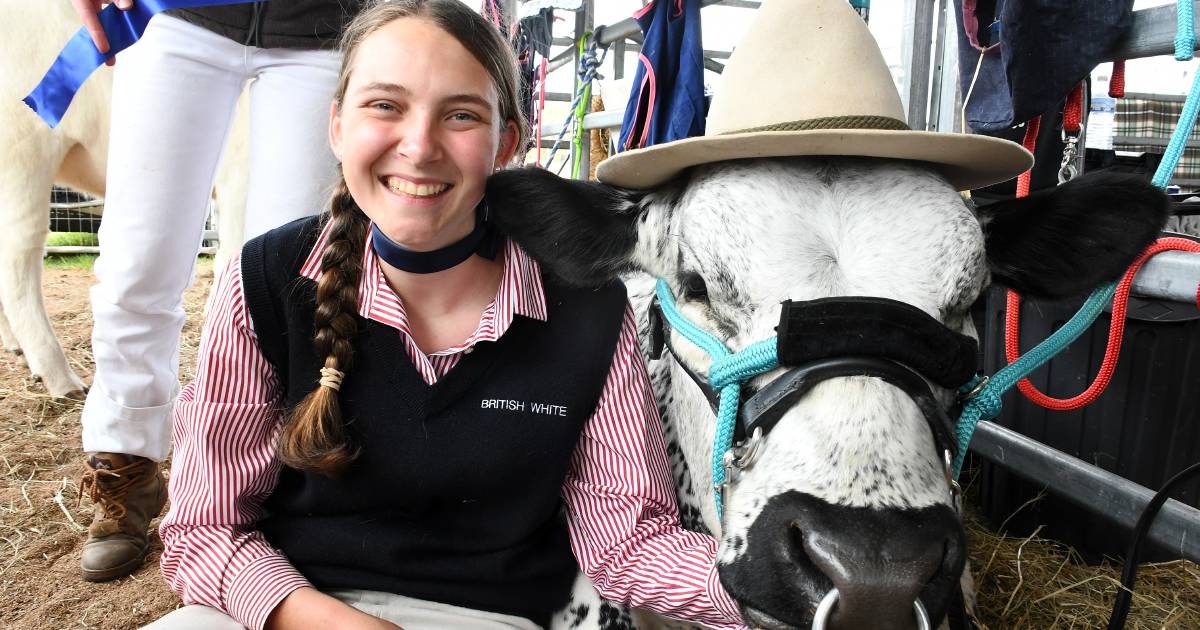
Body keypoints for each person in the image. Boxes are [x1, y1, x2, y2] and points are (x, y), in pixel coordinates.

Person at [145, 1, 749, 629]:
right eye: (385, 106)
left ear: (505, 142)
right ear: (337, 126)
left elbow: (627, 544)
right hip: (283, 608)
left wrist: (791, 595)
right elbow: (206, 528)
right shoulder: (266, 279)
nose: (419, 145)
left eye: (460, 115)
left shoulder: (587, 308)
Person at [69, 0, 367, 582]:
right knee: (137, 257)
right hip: (176, 14)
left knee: (294, 275)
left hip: (323, 24)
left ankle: (266, 478)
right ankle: (127, 462)